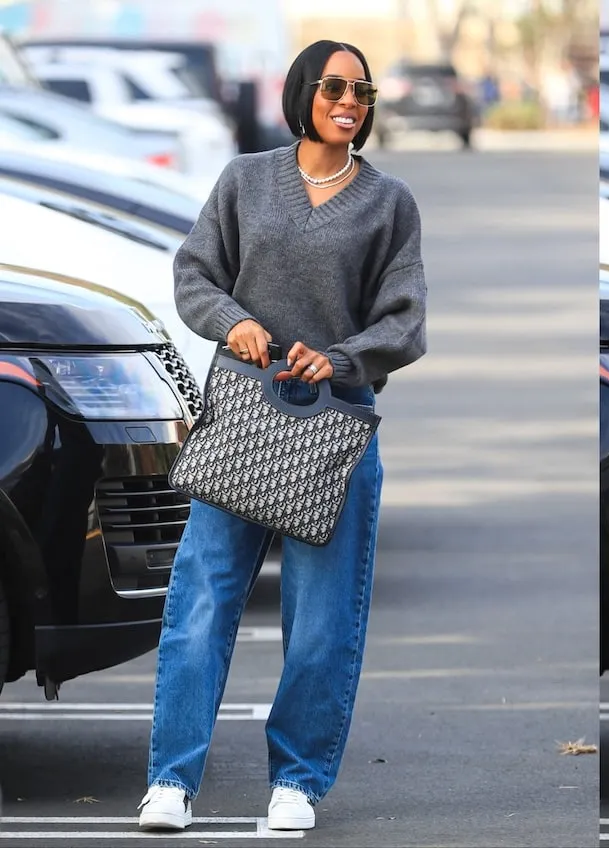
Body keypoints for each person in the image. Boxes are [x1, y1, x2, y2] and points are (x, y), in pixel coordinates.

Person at [136, 39, 427, 832]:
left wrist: (336, 358)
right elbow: (195, 274)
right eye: (334, 85)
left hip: (334, 431)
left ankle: (296, 780)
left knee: (325, 618)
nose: (349, 99)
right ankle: (171, 779)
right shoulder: (244, 181)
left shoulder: (388, 202)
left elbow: (405, 323)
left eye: (362, 89)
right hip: (243, 420)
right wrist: (237, 326)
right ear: (302, 92)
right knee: (201, 601)